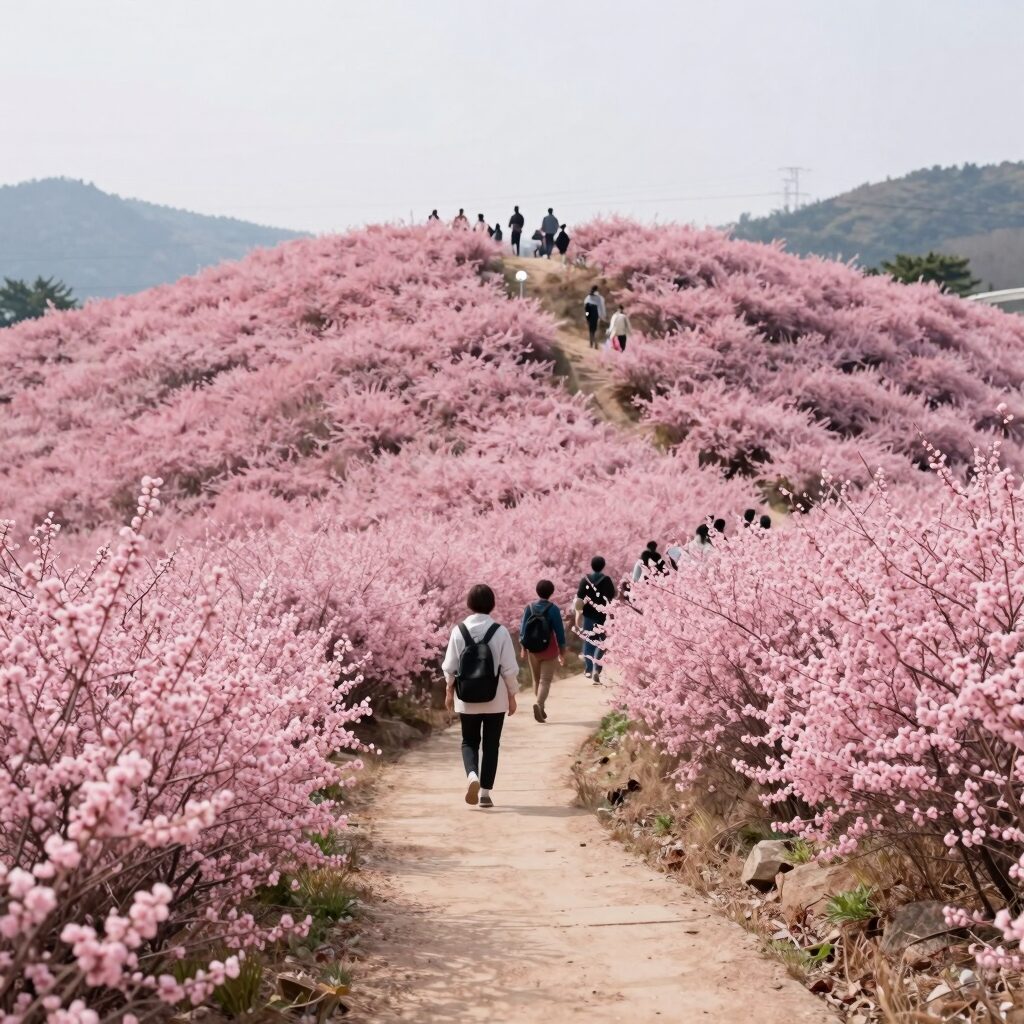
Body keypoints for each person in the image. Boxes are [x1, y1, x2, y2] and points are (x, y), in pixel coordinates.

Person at [442, 584, 520, 808]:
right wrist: (512, 695)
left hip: (466, 698)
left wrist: (449, 691)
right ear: (492, 604)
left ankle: (472, 776)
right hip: (495, 698)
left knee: (469, 741)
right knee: (491, 744)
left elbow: (449, 667)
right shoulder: (500, 631)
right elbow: (509, 669)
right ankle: (485, 793)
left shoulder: (459, 631)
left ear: (469, 603)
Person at [519, 580, 567, 723]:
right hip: (549, 649)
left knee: (536, 680)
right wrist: (562, 652)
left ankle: (540, 707)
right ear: (551, 592)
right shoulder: (553, 609)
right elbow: (560, 633)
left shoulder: (529, 608)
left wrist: (523, 648)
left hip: (533, 650)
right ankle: (539, 705)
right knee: (545, 681)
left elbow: (523, 631)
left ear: (537, 591)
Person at [575, 556, 616, 683]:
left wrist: (578, 615)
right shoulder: (607, 580)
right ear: (603, 566)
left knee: (589, 642)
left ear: (591, 565)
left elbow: (579, 600)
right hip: (603, 616)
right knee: (602, 642)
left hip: (588, 616)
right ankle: (596, 669)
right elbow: (612, 596)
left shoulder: (585, 580)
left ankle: (588, 669)